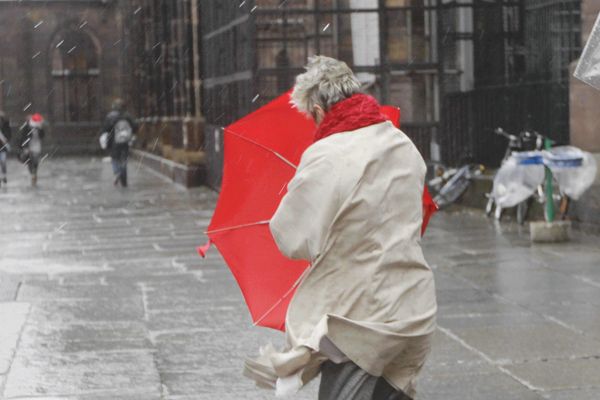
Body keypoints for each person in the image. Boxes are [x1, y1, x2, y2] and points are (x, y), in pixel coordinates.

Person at [244, 56, 437, 400]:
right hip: (413, 306)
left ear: (318, 110)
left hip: (358, 319)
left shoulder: (327, 153)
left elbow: (291, 238)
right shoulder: (403, 145)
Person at [102, 99, 137, 187]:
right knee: (124, 157)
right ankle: (123, 172)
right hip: (125, 140)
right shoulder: (128, 116)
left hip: (114, 141)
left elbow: (106, 128)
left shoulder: (110, 116)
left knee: (114, 157)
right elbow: (135, 126)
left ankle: (117, 171)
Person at [19, 113, 45, 186]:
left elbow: (42, 136)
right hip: (29, 145)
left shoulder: (39, 127)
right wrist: (25, 147)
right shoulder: (26, 128)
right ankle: (32, 174)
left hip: (37, 146)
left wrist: (40, 128)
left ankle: (34, 173)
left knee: (36, 160)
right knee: (29, 160)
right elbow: (23, 137)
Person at [0, 111, 11, 187]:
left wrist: (6, 139)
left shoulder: (6, 126)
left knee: (3, 162)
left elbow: (9, 134)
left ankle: (4, 176)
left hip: (2, 147)